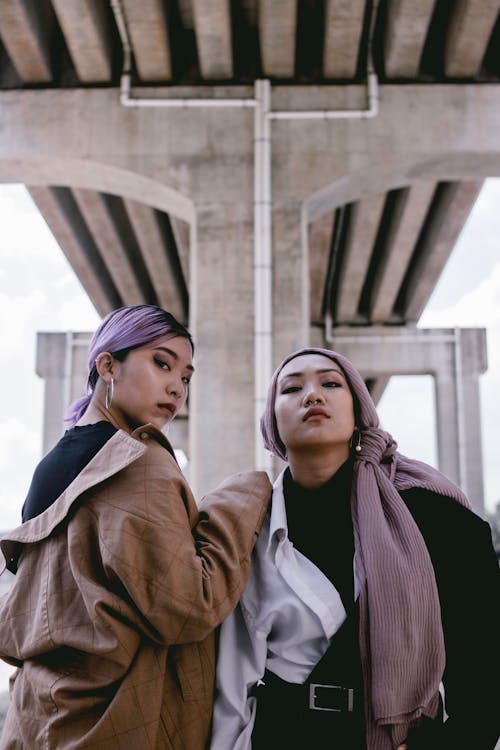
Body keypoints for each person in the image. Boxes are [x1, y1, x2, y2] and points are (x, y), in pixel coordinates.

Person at [0, 304, 272, 750]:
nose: (176, 387)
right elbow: (188, 606)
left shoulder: (49, 468)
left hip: (37, 717)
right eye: (161, 363)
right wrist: (238, 501)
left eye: (185, 377)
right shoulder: (136, 461)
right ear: (107, 365)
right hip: (117, 722)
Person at [210, 347, 500, 750]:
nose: (313, 395)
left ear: (359, 411)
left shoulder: (430, 516)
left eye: (330, 383)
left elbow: (483, 669)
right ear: (272, 424)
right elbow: (231, 681)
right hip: (280, 735)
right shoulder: (248, 527)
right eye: (292, 389)